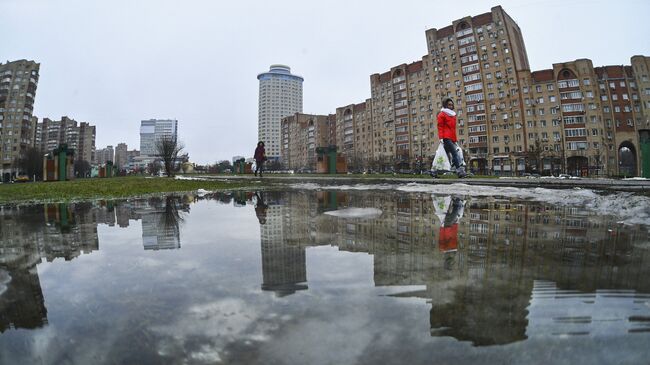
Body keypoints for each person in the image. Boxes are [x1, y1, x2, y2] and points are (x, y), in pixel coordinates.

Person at [437, 98, 467, 178]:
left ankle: (435, 171)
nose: (450, 106)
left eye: (451, 104)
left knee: (444, 155)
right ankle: (459, 171)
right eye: (449, 105)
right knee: (454, 153)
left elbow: (453, 129)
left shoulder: (453, 115)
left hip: (451, 137)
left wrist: (455, 140)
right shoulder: (442, 114)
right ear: (445, 105)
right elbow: (440, 126)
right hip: (446, 137)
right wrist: (441, 138)